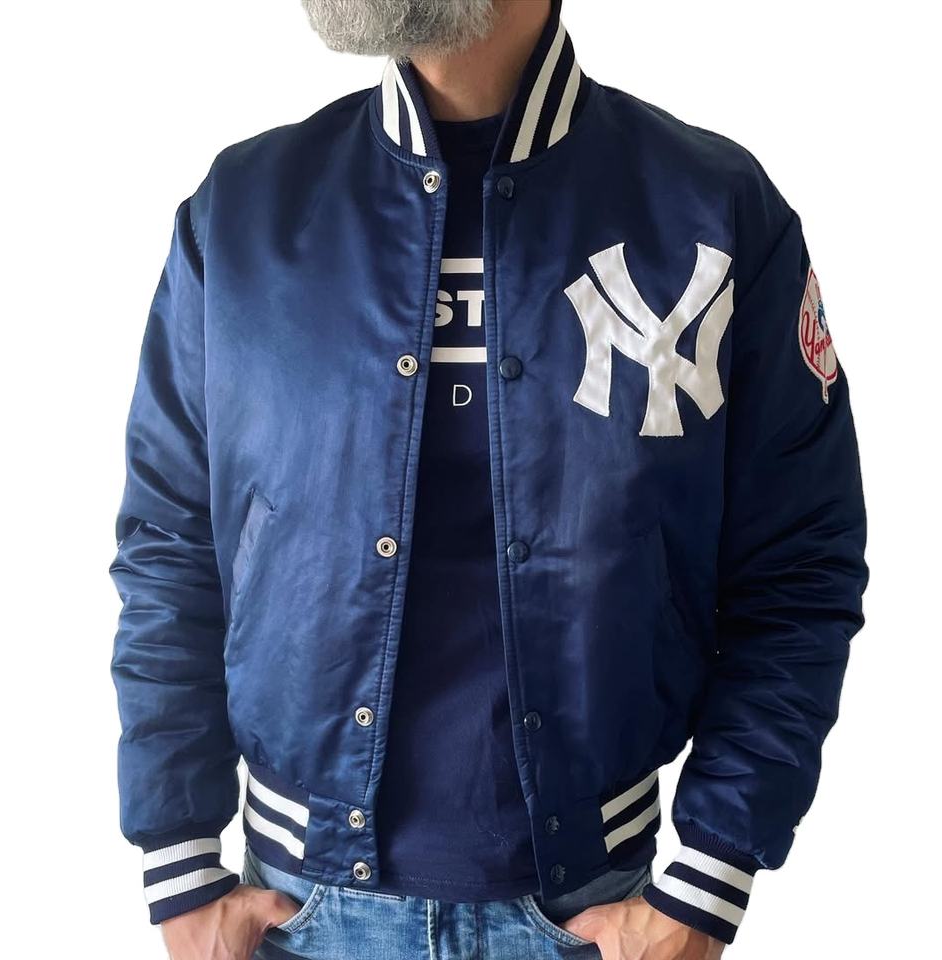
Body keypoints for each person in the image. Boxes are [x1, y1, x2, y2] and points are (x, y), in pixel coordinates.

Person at [108, 1, 868, 958]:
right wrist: (179, 861)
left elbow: (800, 565)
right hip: (299, 915)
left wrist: (708, 879)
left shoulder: (708, 210)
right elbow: (171, 546)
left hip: (592, 911)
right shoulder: (244, 213)